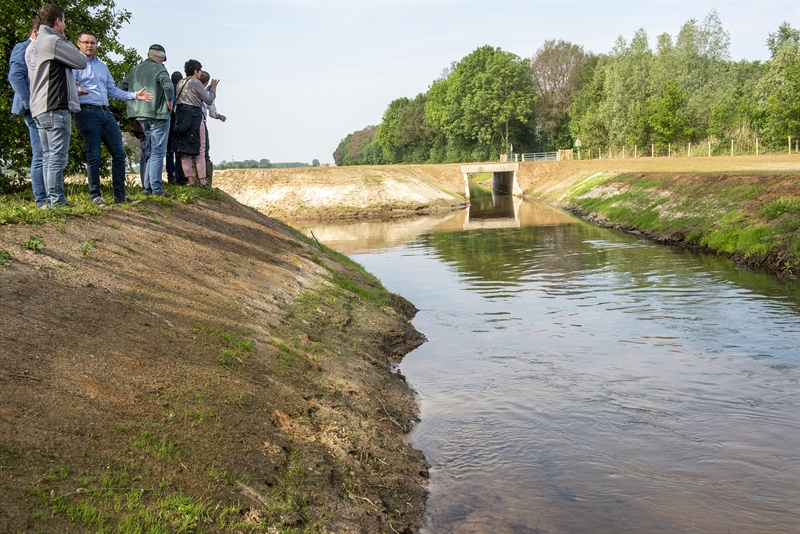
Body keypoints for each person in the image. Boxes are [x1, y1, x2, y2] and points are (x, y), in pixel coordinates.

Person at [73, 30, 152, 205]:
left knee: (119, 153)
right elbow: (67, 85)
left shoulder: (102, 66)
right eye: (86, 42)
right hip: (86, 111)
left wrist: (134, 95)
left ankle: (120, 195)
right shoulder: (73, 64)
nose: (89, 46)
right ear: (78, 43)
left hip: (105, 112)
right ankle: (95, 195)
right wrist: (75, 89)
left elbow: (112, 90)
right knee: (94, 155)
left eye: (92, 43)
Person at [25, 3, 87, 208]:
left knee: (47, 155)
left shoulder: (32, 46)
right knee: (57, 157)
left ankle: (51, 200)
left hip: (39, 107)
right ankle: (56, 200)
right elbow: (81, 61)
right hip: (55, 106)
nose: (65, 26)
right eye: (64, 21)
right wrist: (63, 39)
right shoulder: (52, 41)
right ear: (58, 21)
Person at [118, 44, 174, 198]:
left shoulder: (135, 70)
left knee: (147, 151)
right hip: (157, 113)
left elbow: (120, 87)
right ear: (162, 58)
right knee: (157, 151)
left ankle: (147, 188)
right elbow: (168, 86)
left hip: (138, 116)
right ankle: (156, 188)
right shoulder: (159, 68)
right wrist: (169, 103)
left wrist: (133, 101)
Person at [8, 17, 46, 207]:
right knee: (40, 153)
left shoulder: (42, 51)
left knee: (48, 153)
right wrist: (29, 103)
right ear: (35, 32)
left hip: (45, 107)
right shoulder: (22, 47)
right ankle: (42, 200)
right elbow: (14, 76)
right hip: (32, 108)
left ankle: (50, 198)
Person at [173, 59, 217, 188]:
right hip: (194, 117)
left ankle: (190, 181)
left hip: (181, 117)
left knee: (184, 151)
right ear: (195, 71)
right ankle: (203, 181)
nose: (200, 73)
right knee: (200, 150)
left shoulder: (181, 82)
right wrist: (213, 89)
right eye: (200, 71)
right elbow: (208, 100)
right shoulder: (196, 82)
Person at [198, 70, 226, 186]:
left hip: (189, 123)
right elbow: (212, 111)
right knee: (204, 152)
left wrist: (210, 88)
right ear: (207, 82)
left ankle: (192, 180)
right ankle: (206, 181)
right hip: (201, 122)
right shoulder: (208, 94)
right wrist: (213, 89)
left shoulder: (191, 90)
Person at [166, 70, 185, 185]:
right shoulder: (181, 90)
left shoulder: (168, 89)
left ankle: (170, 176)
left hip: (168, 120)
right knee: (178, 150)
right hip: (178, 121)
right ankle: (180, 177)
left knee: (169, 151)